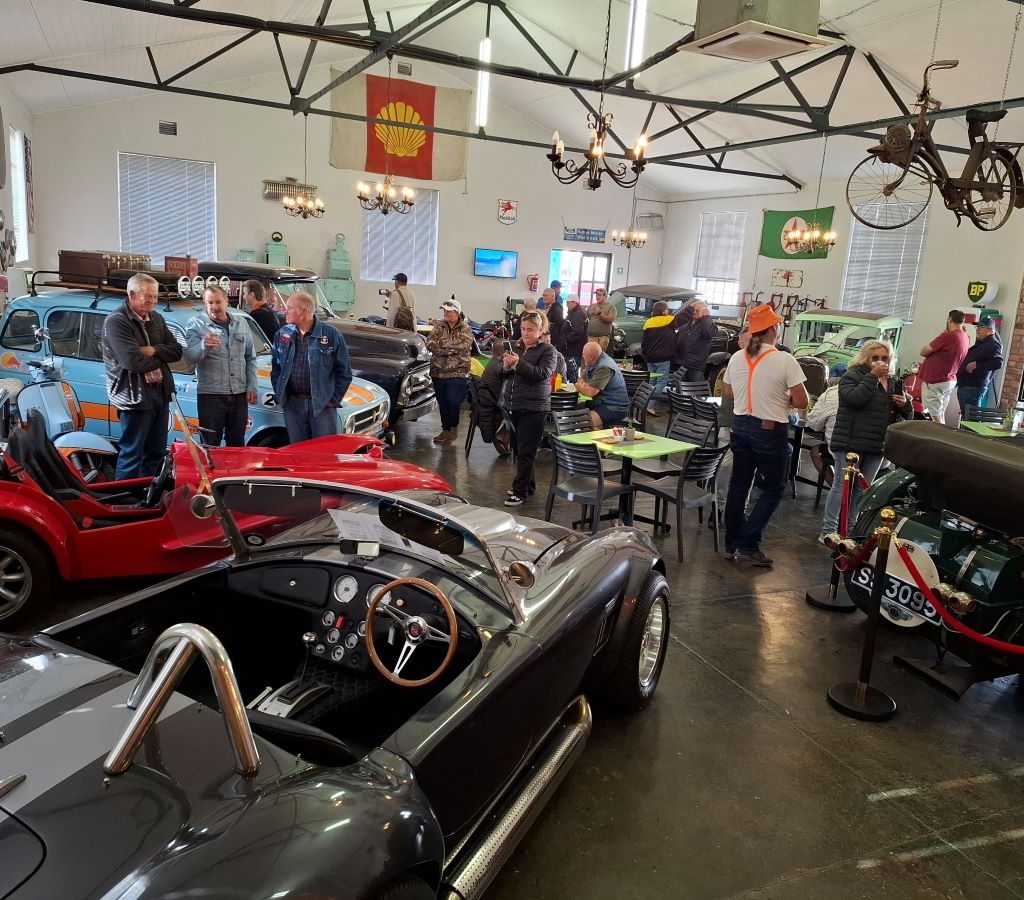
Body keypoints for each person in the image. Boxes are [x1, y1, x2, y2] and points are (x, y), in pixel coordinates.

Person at [722, 304, 808, 567]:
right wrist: (781, 398)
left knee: (739, 485)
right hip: (769, 431)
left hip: (739, 426)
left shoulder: (737, 357)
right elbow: (802, 401)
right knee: (773, 488)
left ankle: (731, 544)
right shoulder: (784, 360)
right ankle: (748, 543)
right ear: (773, 329)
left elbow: (728, 392)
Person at [817, 340, 912, 540]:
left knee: (862, 490)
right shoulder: (852, 376)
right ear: (865, 358)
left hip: (876, 444)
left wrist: (905, 405)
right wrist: (873, 376)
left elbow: (906, 415)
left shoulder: (893, 382)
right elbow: (854, 399)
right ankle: (828, 531)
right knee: (842, 487)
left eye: (884, 358)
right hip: (850, 441)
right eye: (875, 358)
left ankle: (851, 531)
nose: (880, 362)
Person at [102, 273, 184, 479]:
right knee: (132, 453)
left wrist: (153, 350)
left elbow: (177, 351)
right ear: (132, 294)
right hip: (134, 397)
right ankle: (125, 496)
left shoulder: (157, 318)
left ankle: (149, 494)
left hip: (160, 394)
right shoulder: (116, 322)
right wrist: (162, 357)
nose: (153, 301)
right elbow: (133, 362)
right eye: (148, 296)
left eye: (155, 296)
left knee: (156, 452)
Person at [271, 291, 352, 442]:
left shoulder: (331, 335)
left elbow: (344, 372)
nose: (284, 311)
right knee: (298, 451)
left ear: (304, 311)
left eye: (290, 308)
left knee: (323, 450)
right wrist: (280, 393)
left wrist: (332, 400)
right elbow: (276, 368)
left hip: (322, 406)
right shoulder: (282, 334)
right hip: (293, 405)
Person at [185, 285, 257, 447]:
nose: (214, 307)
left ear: (226, 302)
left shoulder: (241, 323)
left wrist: (252, 385)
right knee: (210, 444)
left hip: (239, 394)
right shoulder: (195, 324)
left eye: (218, 302)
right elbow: (190, 357)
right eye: (210, 303)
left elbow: (250, 357)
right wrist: (204, 345)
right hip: (211, 396)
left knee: (237, 443)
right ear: (204, 303)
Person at [501, 310, 556, 506]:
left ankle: (520, 492)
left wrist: (518, 364)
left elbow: (542, 374)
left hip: (534, 408)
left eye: (530, 330)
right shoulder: (518, 347)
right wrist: (507, 366)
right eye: (523, 329)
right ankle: (528, 486)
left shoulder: (548, 351)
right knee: (520, 449)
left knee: (526, 451)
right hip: (514, 405)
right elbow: (505, 375)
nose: (525, 333)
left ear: (540, 330)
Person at [426, 299, 473, 444]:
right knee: (443, 402)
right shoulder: (438, 326)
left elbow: (463, 346)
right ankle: (445, 429)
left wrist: (441, 346)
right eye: (444, 310)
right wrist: (449, 349)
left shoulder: (465, 328)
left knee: (453, 401)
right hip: (438, 371)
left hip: (457, 372)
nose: (445, 313)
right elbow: (429, 343)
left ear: (457, 313)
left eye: (449, 311)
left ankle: (453, 428)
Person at [918, 309, 969, 424]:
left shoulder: (948, 336)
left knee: (933, 417)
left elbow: (924, 351)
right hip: (948, 380)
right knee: (940, 415)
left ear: (950, 319)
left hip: (935, 381)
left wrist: (944, 334)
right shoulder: (964, 337)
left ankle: (937, 436)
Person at [576, 341, 630, 429]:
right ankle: (598, 429)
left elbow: (590, 392)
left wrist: (579, 386)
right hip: (601, 403)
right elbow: (581, 378)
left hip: (614, 407)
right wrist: (584, 386)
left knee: (583, 423)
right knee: (571, 409)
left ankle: (601, 435)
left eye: (583, 354)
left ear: (591, 357)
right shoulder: (593, 361)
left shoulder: (604, 367)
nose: (582, 356)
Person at [956, 319, 1003, 412]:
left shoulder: (993, 344)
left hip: (973, 387)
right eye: (977, 327)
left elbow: (998, 363)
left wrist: (976, 365)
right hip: (967, 385)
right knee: (966, 415)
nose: (978, 329)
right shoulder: (982, 343)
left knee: (972, 417)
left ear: (991, 330)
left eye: (981, 327)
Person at [640, 300, 676, 414]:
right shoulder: (668, 321)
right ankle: (649, 405)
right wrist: (691, 307)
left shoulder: (648, 322)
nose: (669, 311)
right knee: (661, 382)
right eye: (667, 309)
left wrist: (646, 354)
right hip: (663, 359)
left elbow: (644, 342)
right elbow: (684, 317)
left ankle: (644, 403)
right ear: (664, 311)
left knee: (651, 382)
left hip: (650, 359)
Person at [673, 301, 716, 382]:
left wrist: (707, 317)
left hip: (695, 366)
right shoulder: (687, 322)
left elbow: (708, 333)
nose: (694, 312)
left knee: (695, 388)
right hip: (681, 363)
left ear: (704, 312)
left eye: (697, 311)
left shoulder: (708, 325)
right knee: (680, 387)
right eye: (694, 310)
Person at [563, 294, 588, 381]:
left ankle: (574, 388)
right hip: (573, 348)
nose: (567, 305)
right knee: (571, 371)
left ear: (574, 302)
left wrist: (565, 339)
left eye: (568, 303)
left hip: (574, 349)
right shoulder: (574, 313)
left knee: (572, 372)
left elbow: (577, 332)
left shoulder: (577, 314)